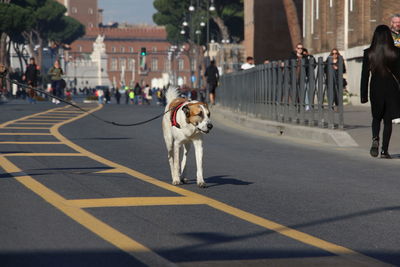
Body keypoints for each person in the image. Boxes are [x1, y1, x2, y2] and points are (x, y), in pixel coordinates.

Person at [360, 25, 400, 159]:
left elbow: (364, 76)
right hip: (391, 88)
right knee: (388, 121)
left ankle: (375, 139)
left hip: (375, 87)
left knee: (376, 117)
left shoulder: (368, 53)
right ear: (389, 36)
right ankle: (384, 151)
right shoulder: (395, 52)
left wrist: (363, 96)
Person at [389, 14, 400, 124]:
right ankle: (394, 114)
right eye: (396, 22)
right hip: (391, 66)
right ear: (391, 23)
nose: (398, 24)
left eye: (399, 22)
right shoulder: (388, 35)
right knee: (393, 90)